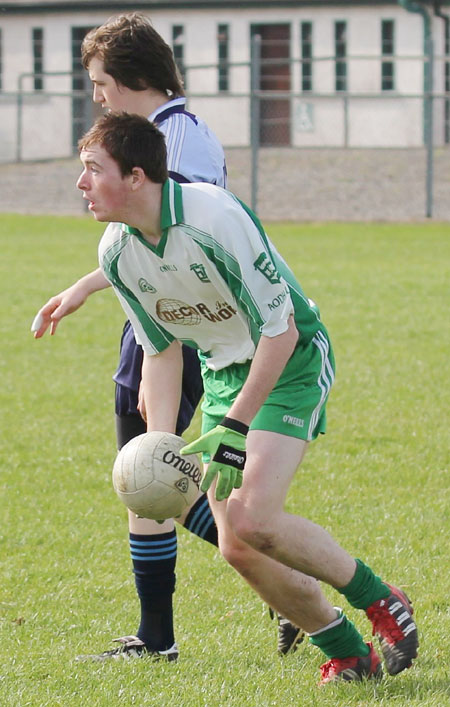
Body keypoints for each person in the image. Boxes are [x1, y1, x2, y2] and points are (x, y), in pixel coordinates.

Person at [75, 111, 419, 684]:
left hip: (292, 356)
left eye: (92, 169)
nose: (81, 184)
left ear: (137, 176)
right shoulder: (118, 251)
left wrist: (233, 429)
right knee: (237, 545)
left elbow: (279, 331)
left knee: (254, 516)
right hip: (225, 374)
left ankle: (384, 601)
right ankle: (348, 652)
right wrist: (162, 444)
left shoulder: (213, 216)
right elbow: (160, 352)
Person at [33, 13, 302, 660]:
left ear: (134, 77)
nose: (96, 95)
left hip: (181, 322)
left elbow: (182, 239)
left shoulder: (172, 140)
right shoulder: (171, 131)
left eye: (101, 82)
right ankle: (260, 589)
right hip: (165, 313)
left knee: (151, 469)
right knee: (152, 471)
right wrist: (90, 285)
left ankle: (248, 597)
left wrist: (90, 284)